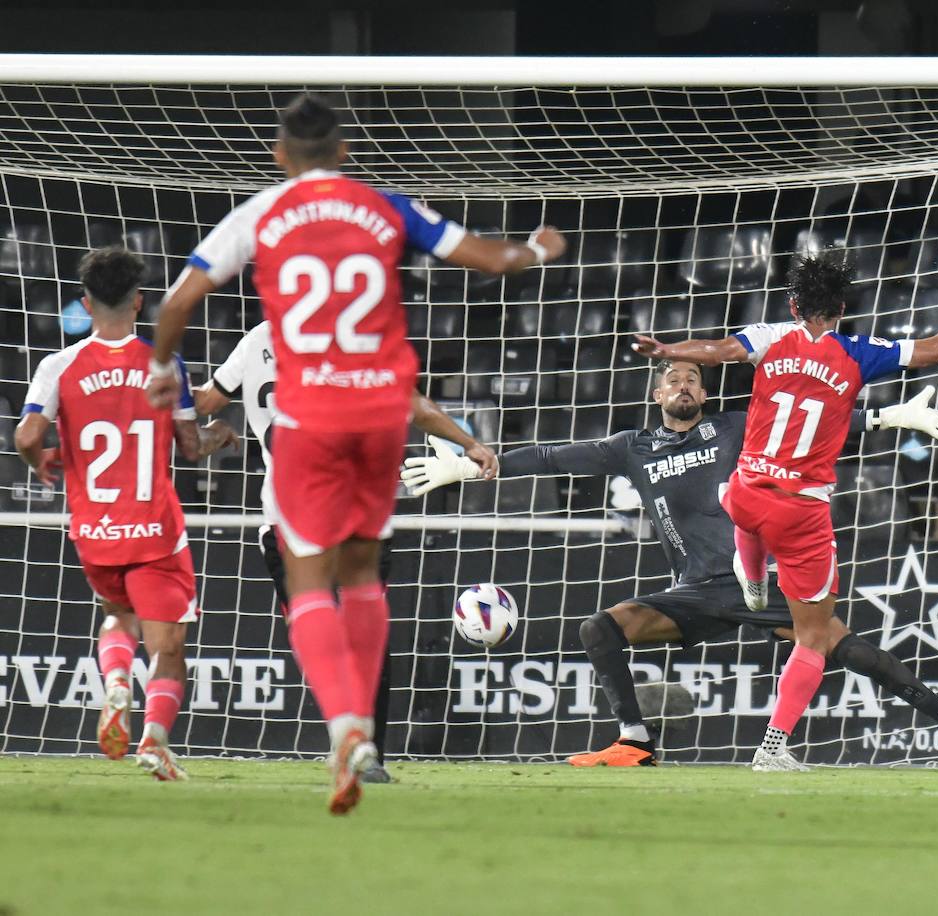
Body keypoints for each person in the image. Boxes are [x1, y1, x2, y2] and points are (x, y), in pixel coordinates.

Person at [145, 93, 565, 814]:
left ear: (280, 155)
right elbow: (491, 261)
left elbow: (180, 301)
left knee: (309, 584)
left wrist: (162, 370)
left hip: (312, 421)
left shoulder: (261, 214)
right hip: (379, 410)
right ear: (343, 152)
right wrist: (538, 248)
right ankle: (367, 736)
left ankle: (345, 731)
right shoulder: (386, 205)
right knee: (365, 573)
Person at [404, 357, 938, 769]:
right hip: (695, 591)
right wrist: (471, 462)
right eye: (674, 378)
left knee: (851, 649)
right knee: (599, 628)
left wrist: (891, 416)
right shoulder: (631, 448)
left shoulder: (734, 428)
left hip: (758, 582)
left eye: (694, 379)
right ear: (656, 393)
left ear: (704, 392)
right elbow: (552, 458)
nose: (684, 385)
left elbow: (816, 424)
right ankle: (635, 742)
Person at [631, 253, 938, 771]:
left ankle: (750, 573)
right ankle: (772, 750)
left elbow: (717, 351)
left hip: (746, 493)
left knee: (738, 497)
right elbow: (936, 349)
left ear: (794, 305)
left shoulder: (771, 336)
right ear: (843, 307)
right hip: (800, 510)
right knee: (816, 636)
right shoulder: (860, 351)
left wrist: (667, 348)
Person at [194, 319, 498, 783]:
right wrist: (469, 442)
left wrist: (165, 392)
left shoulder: (257, 339)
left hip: (286, 517)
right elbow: (408, 403)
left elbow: (206, 402)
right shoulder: (353, 335)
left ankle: (352, 743)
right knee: (364, 633)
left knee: (325, 631)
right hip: (354, 511)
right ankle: (365, 750)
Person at [15, 247, 238, 781]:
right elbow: (188, 446)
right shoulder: (164, 366)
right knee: (169, 647)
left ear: (85, 304)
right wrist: (220, 435)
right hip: (155, 528)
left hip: (95, 529)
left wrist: (43, 459)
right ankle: (154, 742)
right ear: (139, 303)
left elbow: (25, 435)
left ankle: (116, 681)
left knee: (118, 615)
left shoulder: (58, 365)